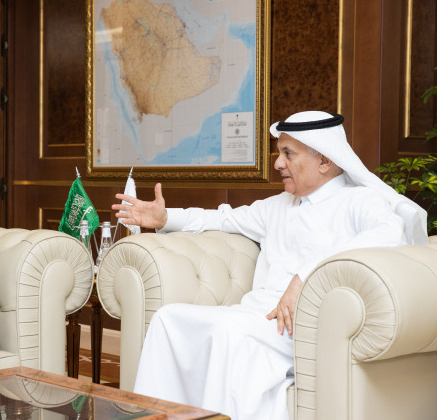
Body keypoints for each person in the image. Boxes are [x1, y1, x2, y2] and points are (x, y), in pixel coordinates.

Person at [112, 111, 428, 420]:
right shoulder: (277, 206)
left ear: (324, 160)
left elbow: (390, 232)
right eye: (279, 154)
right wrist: (166, 218)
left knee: (227, 332)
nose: (278, 164)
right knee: (168, 319)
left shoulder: (358, 202)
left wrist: (305, 276)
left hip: (302, 328)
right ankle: (153, 415)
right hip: (254, 315)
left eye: (288, 154)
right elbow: (222, 218)